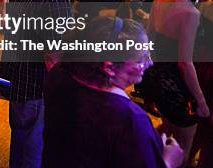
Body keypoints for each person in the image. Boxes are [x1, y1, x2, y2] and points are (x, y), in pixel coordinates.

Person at [43, 17, 184, 168]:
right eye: (141, 59)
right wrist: (167, 162)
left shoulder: (59, 74)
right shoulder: (130, 119)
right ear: (109, 68)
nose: (150, 63)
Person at [0, 0, 79, 168]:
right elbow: (53, 58)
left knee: (21, 141)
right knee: (35, 151)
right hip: (37, 87)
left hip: (16, 78)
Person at [140, 0, 212, 166]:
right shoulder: (191, 12)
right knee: (183, 152)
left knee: (167, 137)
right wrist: (201, 102)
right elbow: (184, 63)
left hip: (157, 78)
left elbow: (148, 39)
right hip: (177, 86)